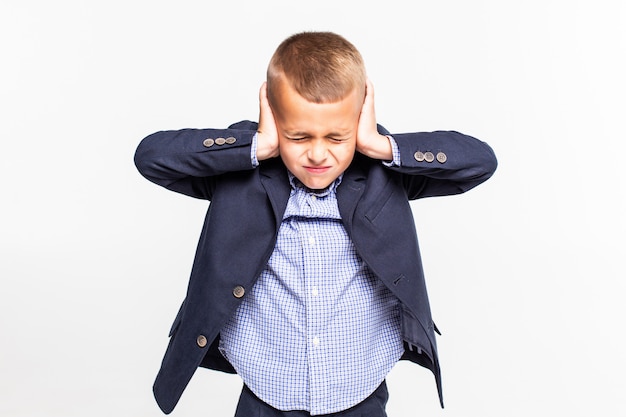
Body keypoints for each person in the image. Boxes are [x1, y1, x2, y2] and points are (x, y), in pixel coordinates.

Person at [134, 31, 497, 417]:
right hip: (267, 389)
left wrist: (378, 145)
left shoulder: (382, 170)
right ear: (274, 117)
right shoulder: (242, 166)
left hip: (357, 389)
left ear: (358, 121)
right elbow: (151, 157)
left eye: (337, 137)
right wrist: (258, 146)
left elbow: (479, 162)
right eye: (299, 136)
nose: (318, 154)